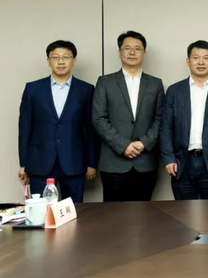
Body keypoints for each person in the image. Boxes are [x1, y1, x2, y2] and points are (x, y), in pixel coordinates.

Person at [18, 40, 98, 202]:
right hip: (40, 161)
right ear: (48, 61)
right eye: (55, 57)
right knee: (41, 211)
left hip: (74, 161)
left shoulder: (86, 90)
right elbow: (25, 128)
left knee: (73, 209)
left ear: (74, 61)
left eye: (66, 57)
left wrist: (92, 163)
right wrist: (23, 163)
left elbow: (91, 129)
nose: (61, 61)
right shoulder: (33, 89)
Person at [92, 31, 165, 202]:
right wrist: (123, 145)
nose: (132, 52)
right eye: (127, 48)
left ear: (144, 53)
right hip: (113, 163)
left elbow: (161, 118)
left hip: (145, 162)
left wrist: (144, 143)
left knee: (144, 213)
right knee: (113, 214)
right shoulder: (105, 82)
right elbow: (98, 118)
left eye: (137, 49)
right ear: (120, 52)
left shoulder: (155, 84)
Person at [160, 41, 208, 200]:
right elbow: (166, 127)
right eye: (196, 58)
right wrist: (168, 158)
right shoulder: (175, 91)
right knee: (183, 212)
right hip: (182, 164)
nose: (201, 62)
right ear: (188, 61)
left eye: (206, 58)